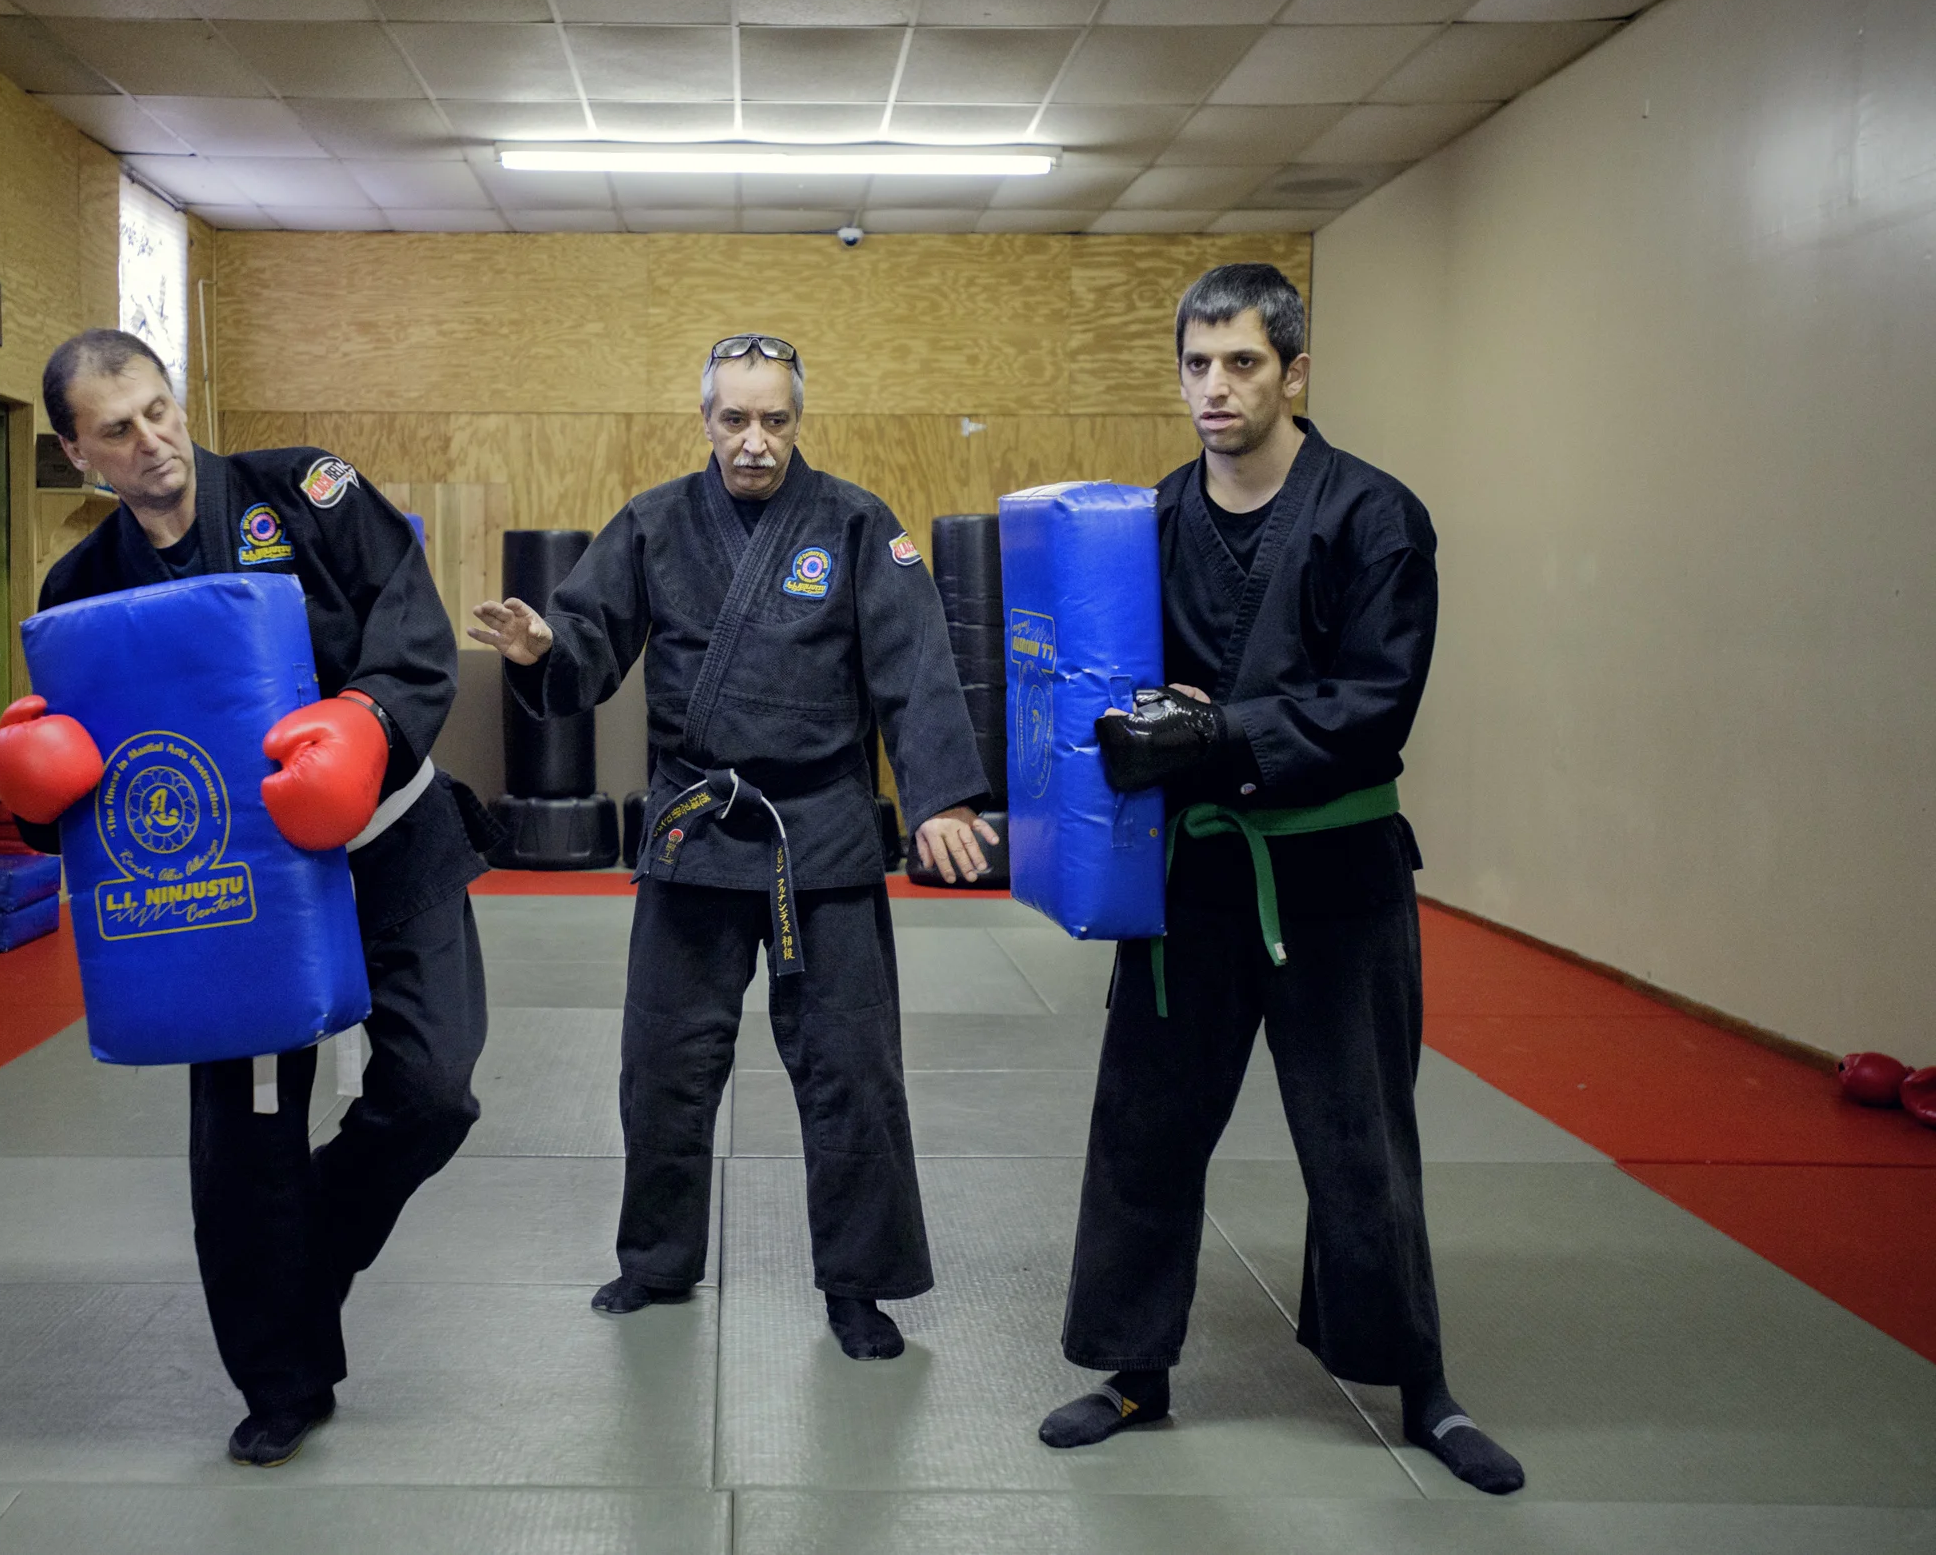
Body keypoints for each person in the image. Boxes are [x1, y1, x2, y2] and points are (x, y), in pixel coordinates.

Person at [1038, 265, 1524, 1495]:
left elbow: (1373, 705)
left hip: (1332, 875)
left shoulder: (1374, 516)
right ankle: (1131, 1368)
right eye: (1196, 363)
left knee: (1360, 1134)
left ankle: (1418, 1382)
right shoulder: (1146, 520)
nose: (1214, 387)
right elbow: (1109, 688)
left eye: (1241, 362)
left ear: (1292, 371)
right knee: (1142, 1123)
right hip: (1191, 875)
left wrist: (1221, 731)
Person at [8, 329, 495, 1467]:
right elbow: (87, 782)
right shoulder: (81, 592)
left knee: (432, 1090)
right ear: (81, 454)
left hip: (385, 835)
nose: (151, 441)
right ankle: (280, 1379)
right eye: (117, 430)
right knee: (244, 1140)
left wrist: (366, 720)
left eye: (158, 410)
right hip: (233, 890)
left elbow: (412, 621)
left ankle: (305, 1258)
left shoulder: (305, 493)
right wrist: (36, 790)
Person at [469, 334, 996, 1361]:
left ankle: (858, 1284)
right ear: (703, 417)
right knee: (664, 1059)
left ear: (798, 419)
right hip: (695, 825)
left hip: (822, 834)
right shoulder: (655, 523)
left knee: (850, 1066)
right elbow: (585, 641)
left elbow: (914, 664)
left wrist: (938, 794)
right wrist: (543, 649)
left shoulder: (853, 523)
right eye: (734, 419)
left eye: (775, 420)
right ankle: (657, 1258)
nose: (754, 441)